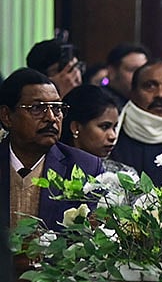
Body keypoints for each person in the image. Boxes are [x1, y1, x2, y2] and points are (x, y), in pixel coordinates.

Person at [1, 68, 104, 232]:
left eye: (57, 108)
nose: (50, 117)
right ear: (6, 116)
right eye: (36, 108)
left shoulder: (86, 167)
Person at [60, 84, 135, 174]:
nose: (113, 136)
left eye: (114, 127)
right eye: (104, 127)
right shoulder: (51, 170)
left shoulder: (125, 175)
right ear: (75, 127)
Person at [105, 43, 151, 110]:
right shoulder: (101, 104)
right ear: (112, 72)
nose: (140, 76)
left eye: (144, 71)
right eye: (133, 70)